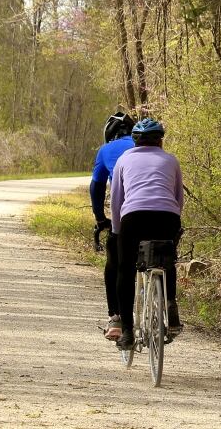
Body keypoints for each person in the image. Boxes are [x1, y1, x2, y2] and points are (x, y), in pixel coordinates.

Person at [110, 118, 184, 349]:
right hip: (167, 217)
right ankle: (170, 305)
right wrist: (173, 223)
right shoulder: (171, 160)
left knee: (125, 268)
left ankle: (128, 333)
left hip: (134, 217)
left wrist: (116, 231)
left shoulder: (123, 160)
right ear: (160, 140)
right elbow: (178, 198)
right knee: (167, 260)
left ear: (135, 141)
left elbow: (116, 200)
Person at [90, 112, 136, 341]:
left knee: (115, 264)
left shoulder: (105, 150)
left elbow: (96, 189)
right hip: (161, 215)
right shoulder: (147, 146)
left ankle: (116, 317)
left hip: (126, 218)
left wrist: (100, 219)